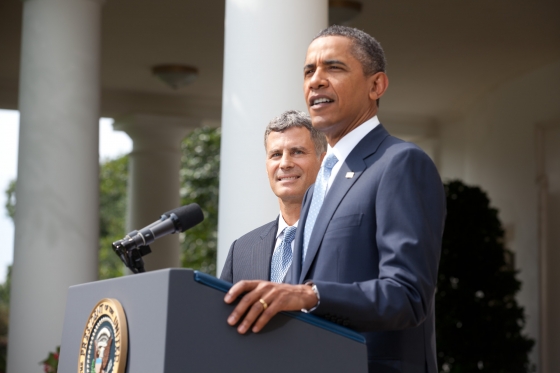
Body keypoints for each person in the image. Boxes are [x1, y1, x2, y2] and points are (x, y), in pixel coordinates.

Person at [224, 25, 446, 373]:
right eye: (309, 71)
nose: (316, 80)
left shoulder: (399, 163)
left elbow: (408, 295)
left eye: (334, 68)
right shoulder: (318, 188)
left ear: (376, 86)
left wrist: (310, 295)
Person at [220, 110, 326, 284]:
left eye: (297, 152)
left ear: (323, 162)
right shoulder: (241, 250)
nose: (285, 164)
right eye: (276, 154)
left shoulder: (341, 237)